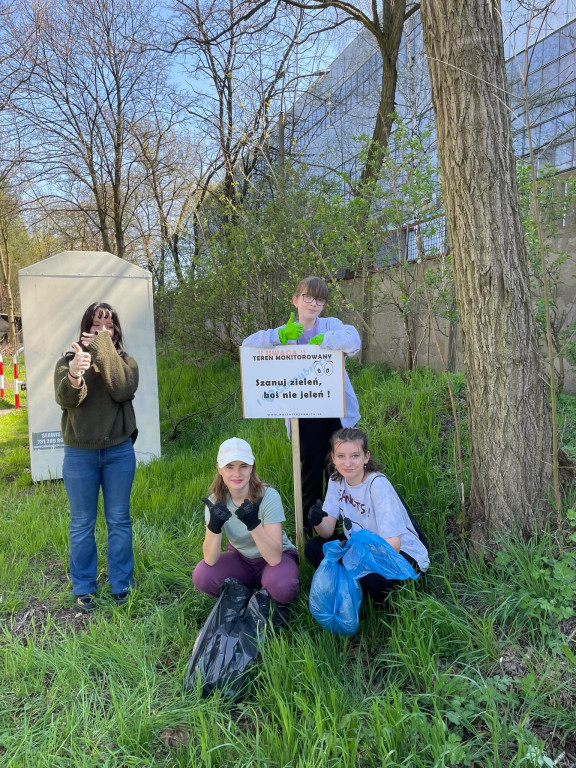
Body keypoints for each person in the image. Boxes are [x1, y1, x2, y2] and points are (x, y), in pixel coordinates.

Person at [242, 276, 361, 529]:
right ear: (295, 300)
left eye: (319, 299)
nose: (314, 303)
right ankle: (309, 525)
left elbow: (353, 340)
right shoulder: (286, 333)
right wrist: (279, 335)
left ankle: (338, 523)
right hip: (303, 412)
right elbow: (247, 345)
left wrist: (325, 341)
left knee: (337, 465)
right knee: (310, 466)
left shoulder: (330, 325)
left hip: (334, 409)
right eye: (308, 297)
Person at [54, 302, 139, 612]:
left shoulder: (126, 363)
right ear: (84, 329)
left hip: (118, 451)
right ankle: (84, 588)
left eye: (109, 325)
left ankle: (122, 585)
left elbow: (122, 390)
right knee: (81, 523)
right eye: (96, 325)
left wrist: (104, 352)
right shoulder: (68, 361)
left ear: (116, 330)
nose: (103, 331)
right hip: (79, 455)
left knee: (119, 520)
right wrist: (76, 374)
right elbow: (65, 399)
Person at [305, 427, 429, 605]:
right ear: (333, 457)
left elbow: (393, 545)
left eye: (354, 456)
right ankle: (351, 587)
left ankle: (380, 601)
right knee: (314, 548)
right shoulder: (336, 479)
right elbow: (326, 532)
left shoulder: (378, 486)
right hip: (359, 547)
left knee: (371, 578)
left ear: (366, 457)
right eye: (341, 456)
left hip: (401, 554)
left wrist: (355, 559)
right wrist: (317, 521)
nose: (347, 463)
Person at [193, 437, 299, 608]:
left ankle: (268, 591)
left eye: (243, 466)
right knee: (202, 575)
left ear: (252, 468)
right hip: (242, 558)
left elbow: (274, 558)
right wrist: (214, 526)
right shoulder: (215, 503)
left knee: (283, 587)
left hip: (275, 559)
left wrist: (253, 524)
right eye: (229, 467)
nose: (237, 474)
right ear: (219, 469)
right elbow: (210, 560)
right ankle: (250, 593)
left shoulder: (269, 497)